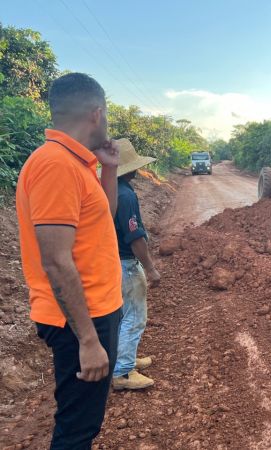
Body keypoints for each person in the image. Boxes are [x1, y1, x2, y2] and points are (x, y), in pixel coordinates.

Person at [16, 73, 123, 449]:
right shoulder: (55, 165)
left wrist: (109, 168)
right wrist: (89, 340)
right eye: (107, 115)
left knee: (84, 423)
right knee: (76, 431)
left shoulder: (79, 165)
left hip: (95, 311)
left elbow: (102, 220)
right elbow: (56, 261)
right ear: (96, 114)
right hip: (79, 320)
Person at [111, 140, 161, 390]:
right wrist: (150, 268)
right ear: (129, 168)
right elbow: (135, 237)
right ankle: (123, 373)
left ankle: (124, 359)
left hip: (111, 261)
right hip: (126, 263)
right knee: (135, 316)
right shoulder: (126, 195)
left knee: (122, 315)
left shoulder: (110, 189)